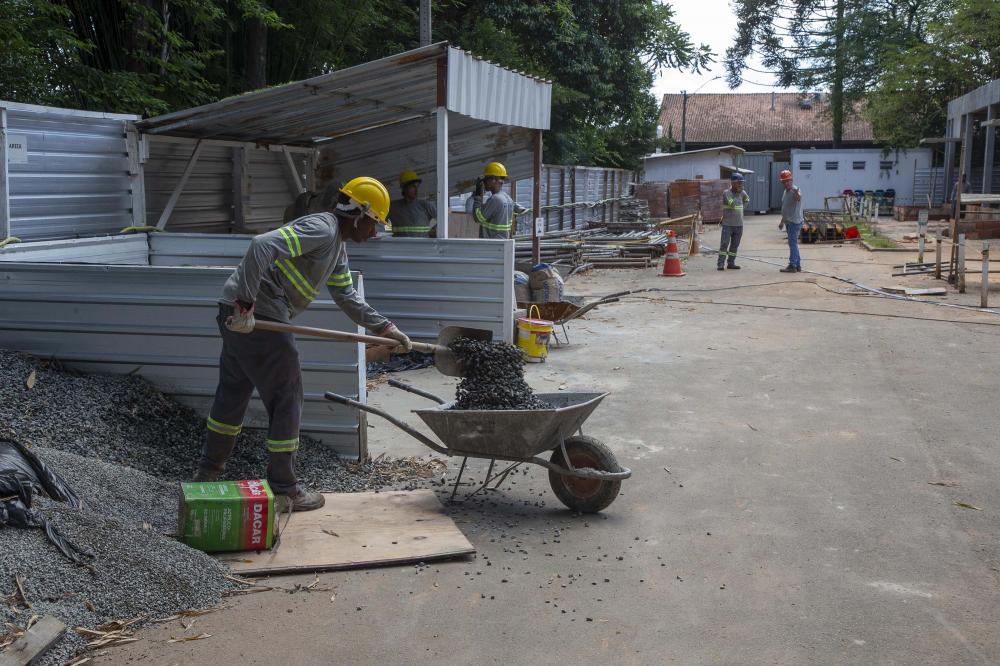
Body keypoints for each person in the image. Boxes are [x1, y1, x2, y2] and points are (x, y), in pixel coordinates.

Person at [195, 176, 412, 511]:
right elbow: (261, 245)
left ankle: (208, 474)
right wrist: (246, 304)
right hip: (257, 314)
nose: (374, 233)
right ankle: (285, 488)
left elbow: (347, 295)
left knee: (233, 391)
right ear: (359, 215)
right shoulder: (322, 229)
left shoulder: (337, 247)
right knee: (288, 395)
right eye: (374, 224)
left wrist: (386, 328)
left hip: (239, 313)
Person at [472, 162, 517, 239]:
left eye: (486, 179)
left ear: (493, 179)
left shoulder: (495, 199)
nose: (484, 182)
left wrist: (478, 195)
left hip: (493, 243)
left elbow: (478, 218)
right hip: (502, 242)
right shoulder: (507, 198)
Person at [390, 170, 437, 238]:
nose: (416, 190)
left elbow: (444, 220)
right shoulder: (393, 207)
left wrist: (434, 230)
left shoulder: (426, 206)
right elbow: (378, 222)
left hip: (421, 244)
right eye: (413, 187)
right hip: (399, 244)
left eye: (417, 186)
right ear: (404, 187)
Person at [718, 173, 750, 270]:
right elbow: (733, 204)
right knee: (724, 244)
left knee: (735, 245)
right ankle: (720, 264)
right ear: (732, 183)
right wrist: (739, 193)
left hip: (739, 225)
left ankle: (731, 263)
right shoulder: (727, 193)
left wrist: (743, 207)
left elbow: (747, 199)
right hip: (728, 224)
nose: (740, 184)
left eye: (741, 182)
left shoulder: (742, 192)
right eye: (738, 182)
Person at [777, 169, 803, 273]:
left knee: (792, 244)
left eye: (788, 181)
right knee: (794, 244)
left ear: (791, 180)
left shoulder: (795, 190)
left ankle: (792, 265)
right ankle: (797, 265)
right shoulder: (785, 192)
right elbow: (786, 208)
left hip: (794, 222)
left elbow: (798, 198)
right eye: (784, 181)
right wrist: (782, 221)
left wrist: (796, 194)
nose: (786, 183)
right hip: (789, 221)